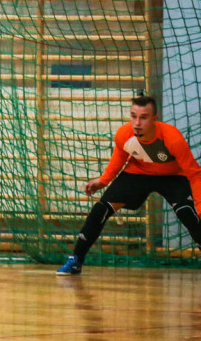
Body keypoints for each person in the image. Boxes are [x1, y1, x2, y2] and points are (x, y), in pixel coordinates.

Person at [57, 95, 201, 275]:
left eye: (143, 117)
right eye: (133, 116)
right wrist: (103, 181)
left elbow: (195, 174)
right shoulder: (124, 135)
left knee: (189, 213)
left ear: (155, 119)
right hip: (138, 173)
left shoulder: (173, 139)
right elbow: (118, 159)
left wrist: (200, 207)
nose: (137, 122)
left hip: (172, 176)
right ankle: (75, 260)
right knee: (100, 209)